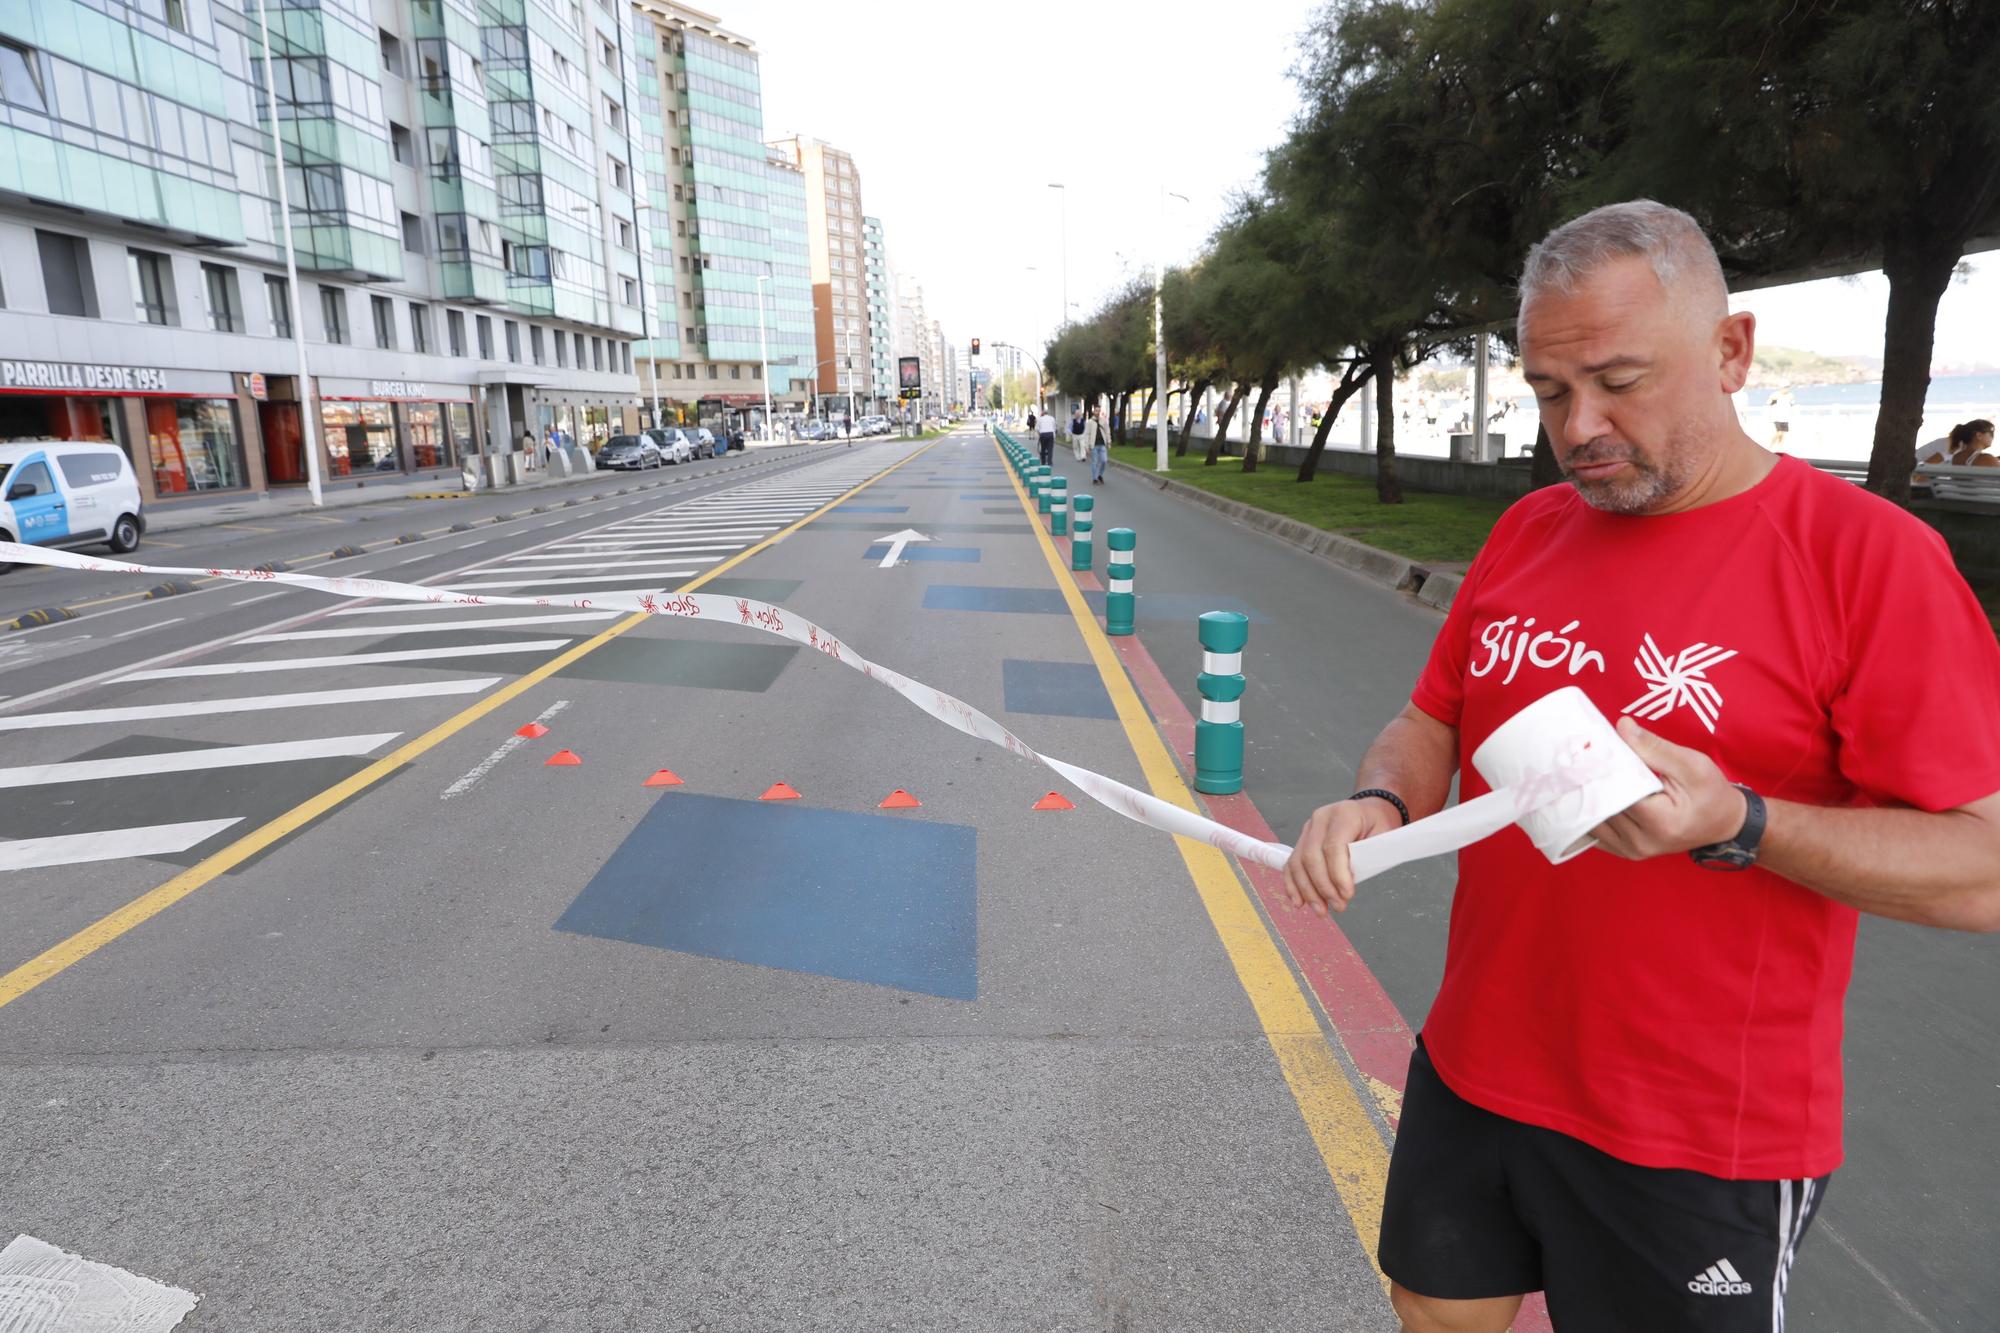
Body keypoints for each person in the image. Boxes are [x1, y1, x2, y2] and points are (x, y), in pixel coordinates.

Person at [1281, 200, 2000, 1333]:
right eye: (1548, 391)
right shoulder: (1528, 531)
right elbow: (1433, 719)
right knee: (1430, 1304)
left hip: (1695, 1130)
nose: (1580, 428)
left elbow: (1984, 869)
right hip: (1474, 1064)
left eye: (1618, 380)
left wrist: (1743, 822)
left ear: (1730, 352)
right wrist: (1378, 799)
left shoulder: (1866, 560)